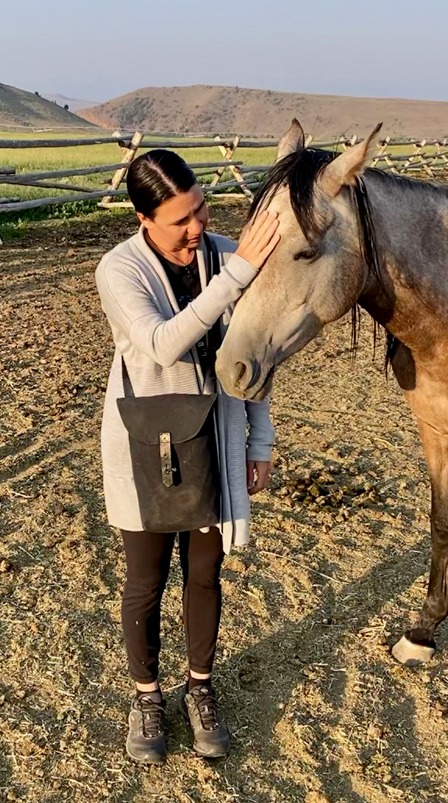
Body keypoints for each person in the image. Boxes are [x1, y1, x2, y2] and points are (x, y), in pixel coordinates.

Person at [95, 149, 280, 764]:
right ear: (145, 219)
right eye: (180, 219)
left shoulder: (227, 255)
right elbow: (162, 344)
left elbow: (253, 361)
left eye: (200, 208)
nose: (197, 227)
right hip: (147, 441)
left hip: (214, 439)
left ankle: (200, 688)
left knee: (204, 573)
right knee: (145, 580)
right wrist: (238, 275)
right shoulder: (118, 270)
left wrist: (259, 443)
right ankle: (147, 698)